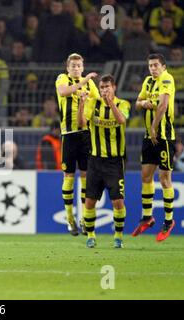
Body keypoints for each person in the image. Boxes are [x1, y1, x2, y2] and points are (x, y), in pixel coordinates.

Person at [77, 74, 130, 249]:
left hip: (115, 162)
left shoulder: (123, 104)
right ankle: (91, 236)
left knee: (118, 202)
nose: (104, 90)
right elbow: (81, 123)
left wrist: (111, 102)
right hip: (95, 161)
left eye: (107, 87)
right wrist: (82, 103)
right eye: (101, 88)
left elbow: (122, 120)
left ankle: (118, 237)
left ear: (114, 88)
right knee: (90, 201)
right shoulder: (93, 103)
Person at [132, 53, 177, 241]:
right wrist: (143, 103)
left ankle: (168, 221)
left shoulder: (167, 79)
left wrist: (153, 127)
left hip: (164, 136)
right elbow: (137, 104)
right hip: (148, 137)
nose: (153, 68)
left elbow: (163, 106)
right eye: (150, 65)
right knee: (145, 176)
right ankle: (148, 217)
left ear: (163, 67)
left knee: (164, 178)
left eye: (156, 65)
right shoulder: (148, 81)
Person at [55, 53, 99, 236]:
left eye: (78, 65)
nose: (75, 68)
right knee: (68, 176)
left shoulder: (90, 84)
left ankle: (82, 218)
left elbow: (99, 99)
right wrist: (83, 81)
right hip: (69, 135)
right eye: (72, 65)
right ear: (68, 68)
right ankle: (70, 219)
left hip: (86, 135)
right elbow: (64, 92)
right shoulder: (62, 78)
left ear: (82, 67)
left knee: (86, 177)